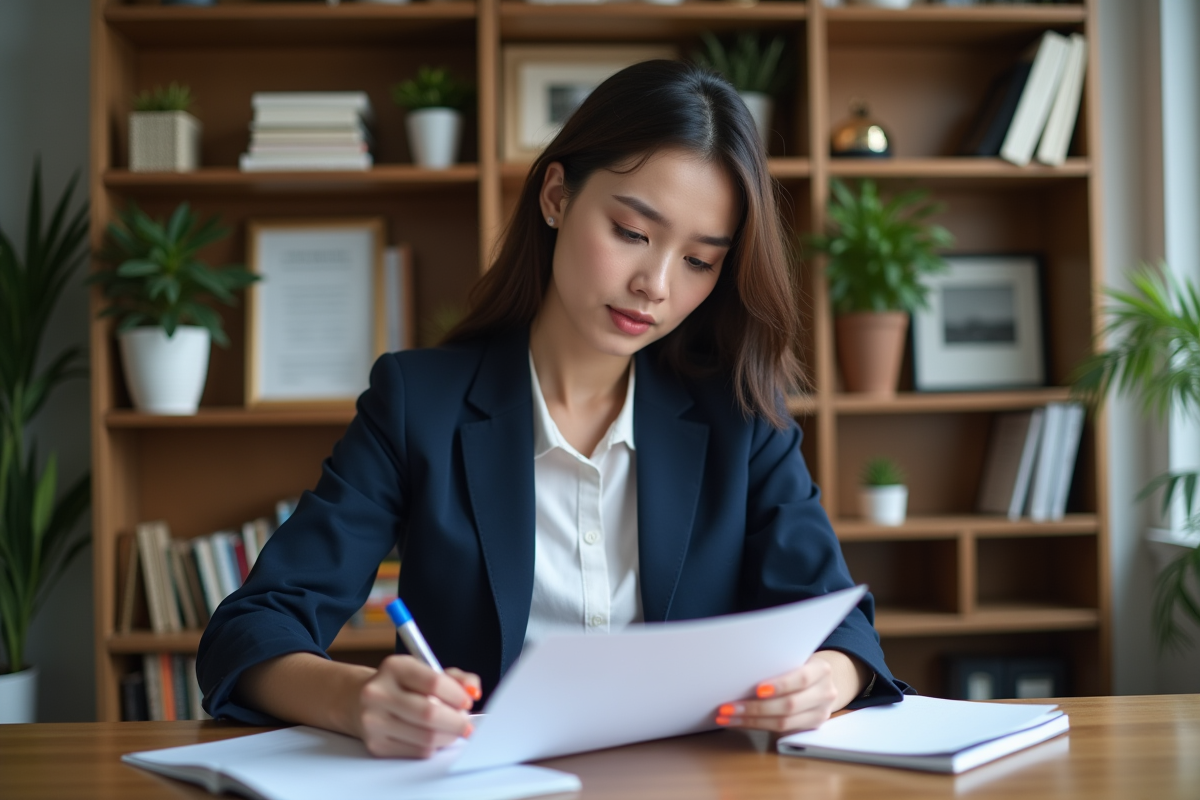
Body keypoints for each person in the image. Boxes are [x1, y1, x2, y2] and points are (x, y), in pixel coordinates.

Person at [197, 59, 910, 759]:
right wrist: (356, 701)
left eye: (699, 261)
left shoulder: (743, 417)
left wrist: (824, 680)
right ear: (557, 197)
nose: (653, 284)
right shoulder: (419, 405)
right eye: (632, 232)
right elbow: (251, 629)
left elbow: (844, 628)